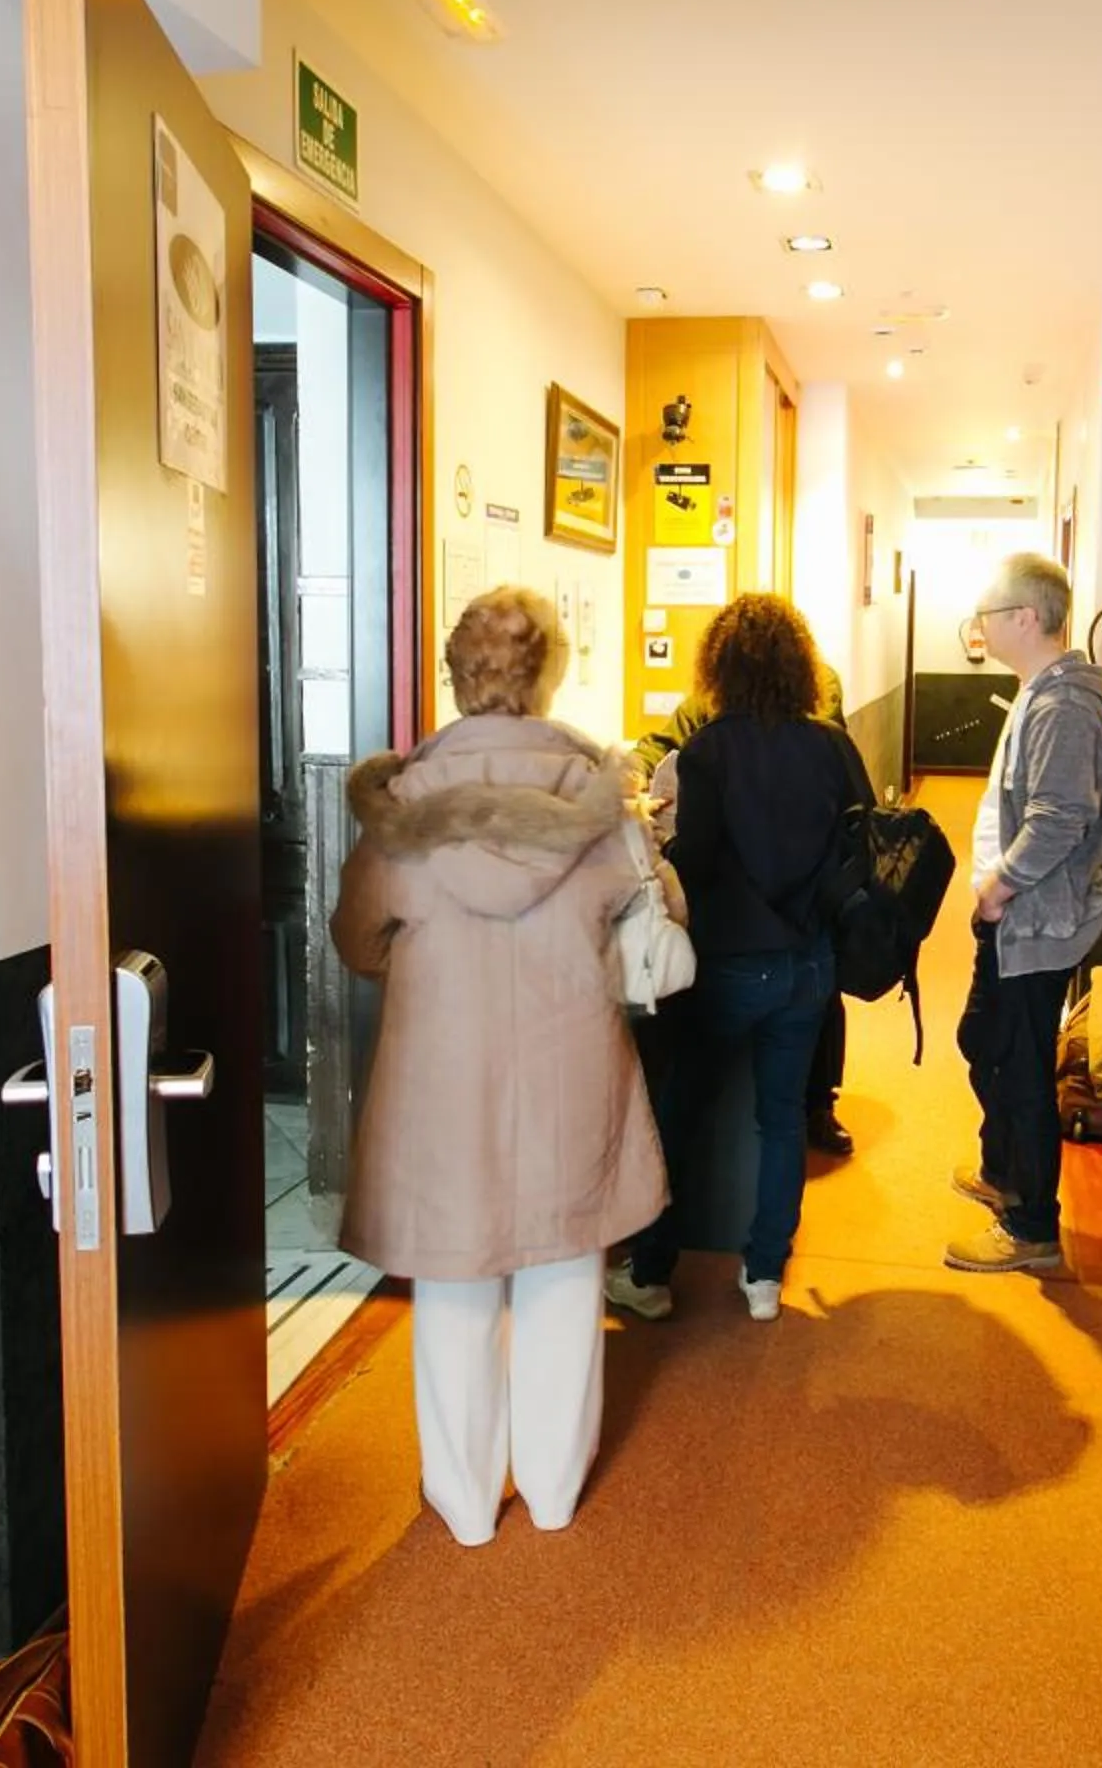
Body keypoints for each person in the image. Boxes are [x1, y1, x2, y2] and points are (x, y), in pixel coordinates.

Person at [330, 585, 676, 1546]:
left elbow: (358, 943)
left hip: (441, 1084)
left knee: (452, 1285)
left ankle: (467, 1504)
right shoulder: (599, 798)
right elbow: (652, 917)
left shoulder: (403, 804)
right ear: (548, 674)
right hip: (571, 1072)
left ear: (453, 674)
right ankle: (557, 1494)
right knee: (566, 1277)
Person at [610, 593, 869, 1324]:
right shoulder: (832, 747)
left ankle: (653, 1274)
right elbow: (860, 844)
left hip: (727, 965)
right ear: (800, 667)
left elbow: (689, 858)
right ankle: (762, 1276)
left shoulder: (706, 754)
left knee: (679, 1111)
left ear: (716, 667)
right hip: (809, 964)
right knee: (782, 1118)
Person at [949, 553, 1102, 1273]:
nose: (978, 628)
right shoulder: (1038, 692)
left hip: (1032, 920)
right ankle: (1004, 1171)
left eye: (986, 615)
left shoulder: (1063, 705)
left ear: (1025, 617)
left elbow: (1059, 818)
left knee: (1019, 1068)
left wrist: (998, 888)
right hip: (1014, 918)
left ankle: (1031, 1228)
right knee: (983, 1042)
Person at [634, 654, 861, 1156]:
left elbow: (693, 857)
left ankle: (818, 1106)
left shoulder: (804, 719)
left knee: (690, 1095)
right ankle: (807, 1124)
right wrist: (634, 772)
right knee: (782, 1108)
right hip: (806, 932)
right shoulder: (718, 724)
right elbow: (861, 831)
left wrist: (669, 853)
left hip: (742, 934)